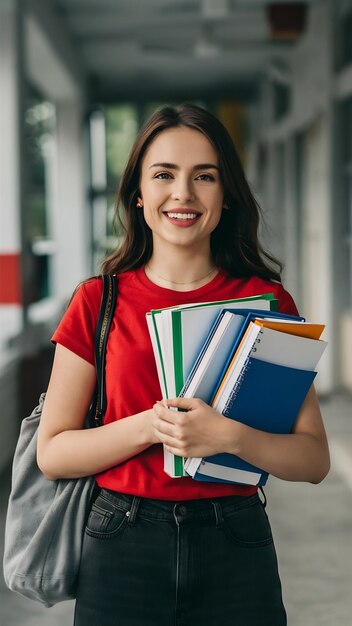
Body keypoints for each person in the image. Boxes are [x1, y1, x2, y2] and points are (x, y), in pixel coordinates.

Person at [37, 103, 330, 626]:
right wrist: (153, 425)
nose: (183, 195)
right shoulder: (97, 302)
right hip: (119, 541)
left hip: (235, 540)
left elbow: (312, 461)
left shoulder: (267, 304)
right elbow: (54, 453)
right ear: (139, 194)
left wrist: (227, 436)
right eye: (164, 175)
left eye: (205, 176)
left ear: (226, 195)